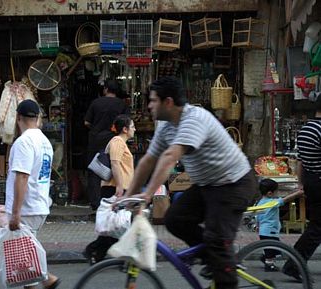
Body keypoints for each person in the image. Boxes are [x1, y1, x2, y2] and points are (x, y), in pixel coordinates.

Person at [122, 77, 256, 289]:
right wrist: (128, 195)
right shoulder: (166, 126)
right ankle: (215, 260)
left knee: (217, 239)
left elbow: (170, 156)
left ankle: (224, 272)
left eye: (153, 100)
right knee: (175, 219)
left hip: (234, 184)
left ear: (168, 102)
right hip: (207, 185)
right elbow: (148, 160)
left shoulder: (194, 119)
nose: (149, 105)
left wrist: (147, 195)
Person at [6, 99, 60, 289]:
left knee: (25, 258)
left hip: (27, 208)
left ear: (18, 117)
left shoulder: (24, 142)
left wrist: (15, 212)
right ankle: (45, 279)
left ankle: (48, 278)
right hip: (39, 203)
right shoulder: (44, 141)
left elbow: (22, 177)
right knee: (25, 257)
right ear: (37, 118)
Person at [83, 115, 135, 264]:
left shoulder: (120, 142)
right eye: (132, 126)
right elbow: (115, 163)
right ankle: (96, 251)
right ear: (124, 129)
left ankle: (97, 253)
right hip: (115, 188)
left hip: (118, 187)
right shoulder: (117, 142)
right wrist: (119, 186)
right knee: (118, 224)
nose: (134, 129)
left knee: (115, 224)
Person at [283, 94, 321, 281]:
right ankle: (294, 263)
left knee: (316, 226)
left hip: (311, 180)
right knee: (317, 228)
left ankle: (294, 263)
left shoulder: (307, 129)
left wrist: (301, 183)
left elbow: (300, 160)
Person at [84, 79, 130, 210]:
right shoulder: (121, 104)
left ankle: (95, 203)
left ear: (106, 89)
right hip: (114, 140)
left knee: (95, 170)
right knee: (115, 170)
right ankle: (112, 200)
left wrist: (96, 127)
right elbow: (126, 123)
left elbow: (86, 122)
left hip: (96, 139)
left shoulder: (96, 103)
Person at [256, 178, 303, 271]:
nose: (277, 193)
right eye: (276, 191)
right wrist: (297, 194)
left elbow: (258, 216)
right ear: (270, 193)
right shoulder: (272, 203)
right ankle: (269, 265)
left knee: (269, 247)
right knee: (272, 249)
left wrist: (258, 226)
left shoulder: (260, 202)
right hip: (271, 231)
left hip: (263, 230)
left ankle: (265, 258)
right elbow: (285, 200)